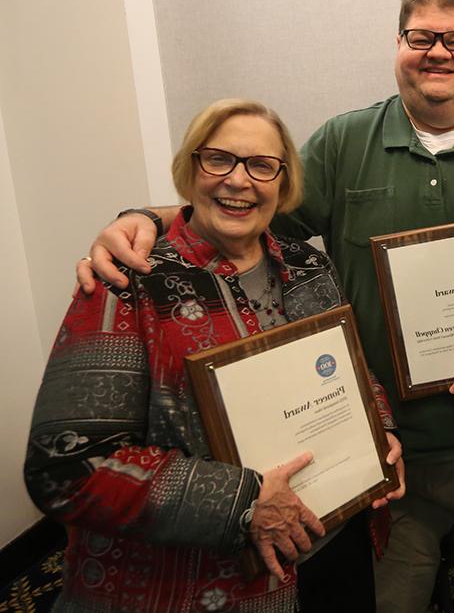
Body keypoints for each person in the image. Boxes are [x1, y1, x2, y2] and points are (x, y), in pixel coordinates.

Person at [74, 0, 454, 612]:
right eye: (421, 36)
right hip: (387, 450)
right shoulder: (345, 142)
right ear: (398, 43)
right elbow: (250, 211)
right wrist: (147, 219)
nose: (438, 52)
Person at [26, 99, 404, 612]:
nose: (239, 180)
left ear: (283, 181)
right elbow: (69, 467)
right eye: (219, 159)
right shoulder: (128, 283)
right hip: (202, 587)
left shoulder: (309, 265)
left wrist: (380, 429)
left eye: (261, 165)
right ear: (192, 167)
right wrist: (243, 501)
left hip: (334, 544)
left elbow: (351, 366)